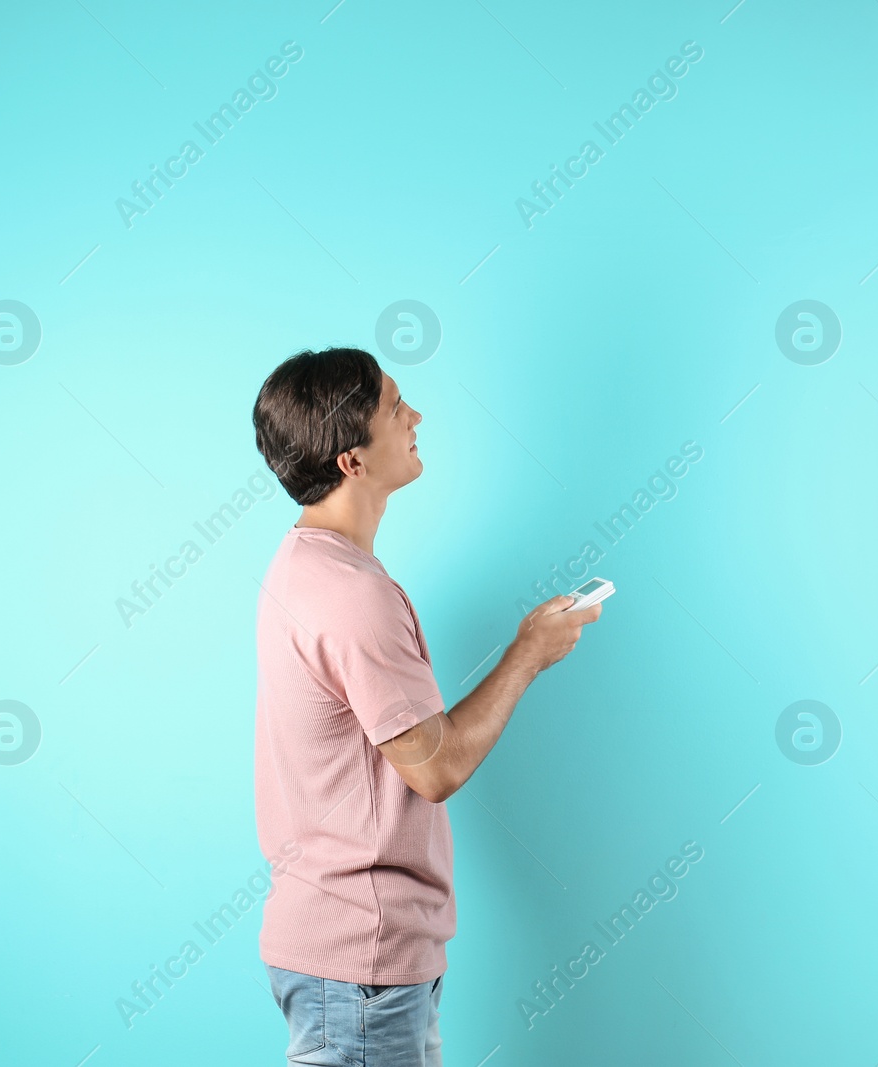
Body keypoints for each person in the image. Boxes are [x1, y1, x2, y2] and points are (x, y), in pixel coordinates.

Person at [250, 347, 601, 1066]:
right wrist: (529, 650)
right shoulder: (351, 594)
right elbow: (434, 769)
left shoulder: (306, 564)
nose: (416, 417)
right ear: (352, 459)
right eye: (394, 406)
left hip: (346, 962)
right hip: (360, 966)